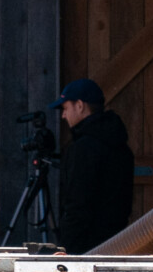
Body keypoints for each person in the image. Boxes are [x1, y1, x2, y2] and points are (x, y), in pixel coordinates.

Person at [53, 78, 134, 254]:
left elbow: (77, 205)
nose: (63, 115)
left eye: (66, 108)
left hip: (85, 248)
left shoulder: (83, 149)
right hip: (117, 243)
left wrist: (66, 250)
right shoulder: (120, 145)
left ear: (80, 106)